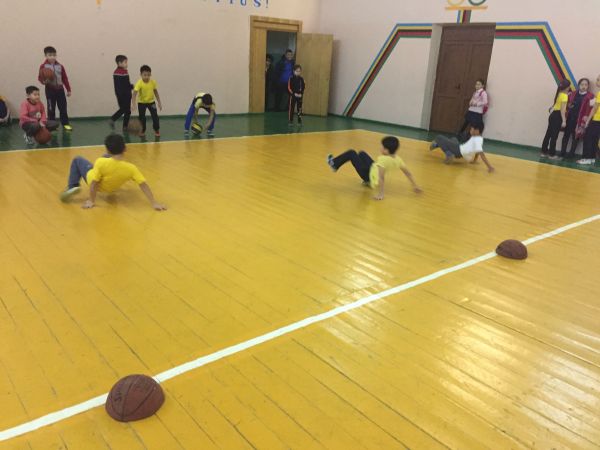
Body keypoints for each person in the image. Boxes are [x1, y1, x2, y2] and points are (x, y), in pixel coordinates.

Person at [59, 134, 167, 210]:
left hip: (91, 177)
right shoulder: (131, 168)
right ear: (125, 149)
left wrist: (91, 201)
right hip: (111, 188)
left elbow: (94, 183)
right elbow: (143, 185)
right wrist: (154, 203)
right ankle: (104, 173)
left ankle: (72, 186)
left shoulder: (100, 162)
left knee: (77, 160)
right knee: (105, 159)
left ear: (108, 149)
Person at [327, 136, 422, 200]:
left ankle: (334, 164)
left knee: (351, 153)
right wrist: (415, 185)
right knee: (361, 153)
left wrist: (381, 194)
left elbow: (381, 177)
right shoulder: (398, 159)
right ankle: (365, 180)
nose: (380, 147)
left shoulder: (382, 160)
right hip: (372, 168)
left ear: (386, 150)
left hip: (367, 175)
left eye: (382, 146)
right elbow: (408, 173)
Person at [429, 123, 495, 172]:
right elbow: (477, 151)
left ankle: (448, 153)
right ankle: (437, 145)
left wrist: (489, 166)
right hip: (459, 149)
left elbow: (482, 154)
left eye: (471, 129)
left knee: (439, 137)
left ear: (477, 130)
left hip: (458, 150)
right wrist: (474, 160)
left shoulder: (476, 140)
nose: (470, 130)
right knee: (454, 139)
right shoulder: (479, 138)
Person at [38, 46, 72, 130]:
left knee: (63, 108)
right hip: (50, 90)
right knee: (51, 109)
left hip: (60, 90)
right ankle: (51, 126)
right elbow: (39, 78)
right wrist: (44, 81)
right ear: (45, 56)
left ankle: (65, 124)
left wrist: (68, 89)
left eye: (54, 55)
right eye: (50, 55)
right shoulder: (43, 66)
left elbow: (64, 78)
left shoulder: (60, 66)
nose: (52, 57)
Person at [560, 78, 594, 159]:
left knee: (576, 137)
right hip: (570, 118)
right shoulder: (572, 94)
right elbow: (566, 105)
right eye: (582, 84)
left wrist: (586, 120)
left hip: (580, 120)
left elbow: (592, 109)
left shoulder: (591, 96)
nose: (584, 86)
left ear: (588, 86)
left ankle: (571, 154)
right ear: (579, 85)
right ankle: (562, 153)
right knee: (566, 135)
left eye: (586, 85)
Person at [541, 79, 571, 159]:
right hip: (557, 116)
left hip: (553, 115)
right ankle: (552, 154)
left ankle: (544, 152)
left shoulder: (559, 93)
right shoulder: (565, 96)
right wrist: (564, 121)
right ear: (567, 87)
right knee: (554, 136)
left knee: (548, 134)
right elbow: (562, 110)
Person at [132, 65, 162, 137]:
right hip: (141, 103)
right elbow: (134, 94)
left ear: (150, 74)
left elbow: (156, 92)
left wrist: (159, 102)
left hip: (151, 102)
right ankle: (142, 131)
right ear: (141, 74)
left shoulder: (152, 82)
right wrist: (133, 104)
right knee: (142, 118)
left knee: (155, 117)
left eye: (148, 75)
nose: (147, 77)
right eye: (145, 75)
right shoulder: (139, 83)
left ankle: (156, 129)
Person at [579, 74, 600, 165]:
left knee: (588, 138)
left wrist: (587, 121)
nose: (596, 81)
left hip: (596, 120)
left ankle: (586, 158)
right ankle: (591, 158)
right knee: (595, 139)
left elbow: (595, 108)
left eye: (598, 80)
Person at [110, 55, 134, 131]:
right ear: (119, 63)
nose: (127, 64)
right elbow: (124, 85)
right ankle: (113, 119)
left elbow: (125, 84)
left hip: (124, 94)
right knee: (125, 109)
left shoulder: (123, 71)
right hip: (124, 95)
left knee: (126, 111)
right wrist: (133, 86)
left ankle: (125, 127)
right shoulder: (119, 72)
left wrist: (132, 87)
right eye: (125, 62)